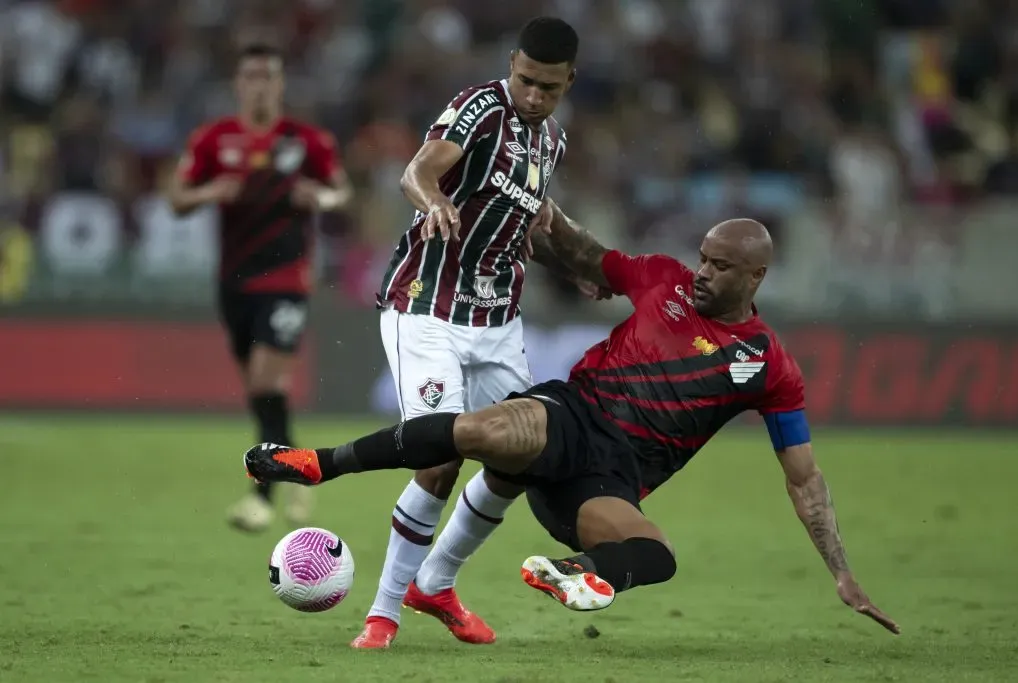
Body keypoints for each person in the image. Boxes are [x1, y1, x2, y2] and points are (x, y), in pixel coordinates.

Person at [245, 214, 901, 636]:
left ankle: (578, 571)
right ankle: (321, 463)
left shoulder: (769, 365)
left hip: (613, 480)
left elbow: (804, 478)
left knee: (657, 555)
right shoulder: (664, 280)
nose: (703, 272)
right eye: (703, 257)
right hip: (571, 415)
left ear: (756, 276)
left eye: (721, 266)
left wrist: (841, 572)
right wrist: (546, 214)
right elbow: (590, 257)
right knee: (478, 432)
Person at [354, 16, 604, 650]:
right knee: (440, 455)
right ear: (512, 64)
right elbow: (417, 172)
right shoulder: (480, 108)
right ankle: (383, 614)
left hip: (496, 321)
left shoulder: (551, 143)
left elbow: (526, 223)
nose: (533, 96)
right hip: (427, 306)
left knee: (519, 456)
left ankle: (435, 584)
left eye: (548, 88)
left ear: (569, 82)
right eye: (526, 80)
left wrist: (576, 269)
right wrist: (433, 200)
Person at [167, 43, 352, 532]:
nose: (260, 85)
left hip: (287, 279)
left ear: (280, 84)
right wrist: (212, 190)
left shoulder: (307, 140)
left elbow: (342, 192)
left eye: (268, 76)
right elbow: (176, 199)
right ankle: (298, 471)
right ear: (238, 84)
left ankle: (262, 497)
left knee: (269, 383)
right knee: (260, 391)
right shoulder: (213, 139)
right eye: (251, 76)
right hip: (234, 282)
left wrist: (320, 198)